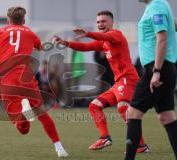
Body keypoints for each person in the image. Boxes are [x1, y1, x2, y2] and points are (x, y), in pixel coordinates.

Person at [0, 6, 68, 157]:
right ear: (23, 20)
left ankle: (24, 114)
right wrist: (53, 42)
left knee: (22, 129)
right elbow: (42, 47)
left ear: (7, 20)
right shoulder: (30, 33)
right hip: (27, 79)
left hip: (7, 81)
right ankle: (59, 147)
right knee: (42, 114)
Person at [55, 10, 149, 153]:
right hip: (119, 82)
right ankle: (105, 137)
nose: (100, 24)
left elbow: (101, 37)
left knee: (123, 108)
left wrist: (88, 33)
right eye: (98, 22)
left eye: (104, 21)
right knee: (94, 106)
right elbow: (86, 47)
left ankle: (140, 145)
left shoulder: (117, 35)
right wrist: (66, 43)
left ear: (112, 22)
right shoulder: (103, 41)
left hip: (128, 78)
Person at [124, 0, 177, 159]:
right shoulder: (157, 6)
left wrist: (156, 71)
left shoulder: (157, 6)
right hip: (163, 69)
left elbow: (162, 38)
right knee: (166, 117)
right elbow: (171, 26)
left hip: (157, 69)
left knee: (132, 113)